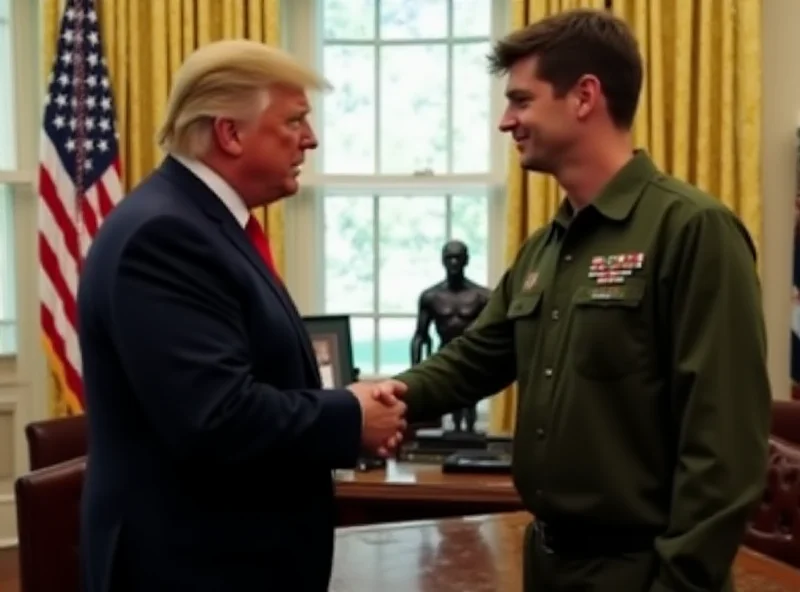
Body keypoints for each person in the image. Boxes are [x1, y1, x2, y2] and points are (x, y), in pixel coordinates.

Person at [372, 9, 770, 592]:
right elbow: (479, 355)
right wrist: (378, 399)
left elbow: (724, 446)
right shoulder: (545, 248)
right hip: (550, 562)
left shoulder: (691, 230)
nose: (507, 121)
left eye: (521, 101)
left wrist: (681, 582)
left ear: (585, 96)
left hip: (641, 571)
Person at [76, 40, 405, 592]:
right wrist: (350, 416)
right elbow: (216, 417)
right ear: (230, 133)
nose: (311, 139)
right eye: (295, 121)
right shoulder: (166, 235)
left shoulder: (201, 222)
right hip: (190, 565)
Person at [410, 239, 490, 432]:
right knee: (449, 401)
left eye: (458, 258)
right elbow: (421, 335)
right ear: (443, 261)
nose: (454, 262)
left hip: (472, 356)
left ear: (466, 261)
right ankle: (455, 432)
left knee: (470, 403)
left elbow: (492, 333)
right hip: (445, 354)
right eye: (449, 258)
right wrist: (415, 368)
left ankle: (469, 434)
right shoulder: (431, 296)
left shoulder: (482, 296)